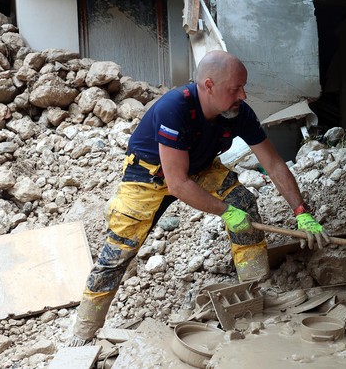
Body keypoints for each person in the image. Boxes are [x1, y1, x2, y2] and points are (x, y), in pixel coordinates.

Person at [69, 50, 330, 346]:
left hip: (200, 166)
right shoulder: (175, 108)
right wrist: (225, 212)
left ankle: (255, 291)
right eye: (235, 88)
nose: (243, 95)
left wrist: (301, 212)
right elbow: (177, 183)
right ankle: (84, 331)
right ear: (208, 85)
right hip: (149, 175)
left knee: (243, 202)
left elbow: (273, 163)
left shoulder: (237, 111)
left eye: (244, 87)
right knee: (119, 250)